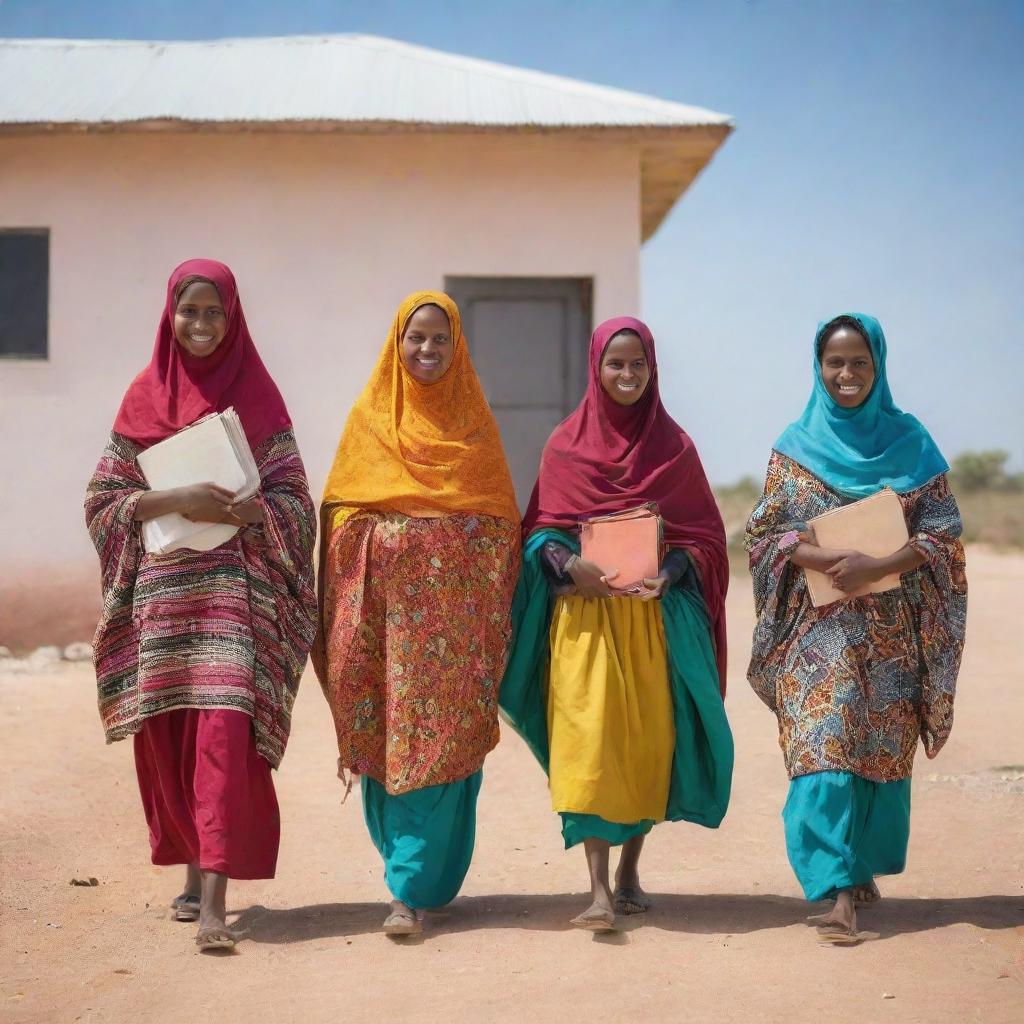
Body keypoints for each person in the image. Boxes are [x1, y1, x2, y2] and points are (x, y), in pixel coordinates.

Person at [85, 259, 317, 952]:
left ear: (234, 317)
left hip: (232, 600)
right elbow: (101, 500)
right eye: (190, 311)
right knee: (173, 739)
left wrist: (251, 515)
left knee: (222, 733)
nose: (202, 324)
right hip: (161, 599)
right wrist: (173, 498)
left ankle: (215, 897)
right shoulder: (141, 398)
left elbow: (295, 504)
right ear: (170, 315)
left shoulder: (260, 398)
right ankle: (191, 871)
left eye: (214, 312)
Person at [500, 316, 733, 932]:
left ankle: (631, 871)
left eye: (638, 365)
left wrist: (674, 570)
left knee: (647, 745)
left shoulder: (675, 450)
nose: (627, 375)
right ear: (595, 368)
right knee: (590, 744)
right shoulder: (564, 447)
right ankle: (598, 889)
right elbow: (540, 530)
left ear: (652, 370)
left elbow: (703, 537)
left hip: (650, 622)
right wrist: (564, 560)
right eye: (616, 364)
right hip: (585, 622)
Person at [745, 313, 967, 944]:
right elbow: (765, 532)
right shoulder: (793, 446)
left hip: (892, 631)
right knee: (821, 744)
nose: (846, 375)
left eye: (859, 363)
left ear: (879, 367)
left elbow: (942, 531)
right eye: (834, 363)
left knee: (879, 749)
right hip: (818, 631)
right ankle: (836, 891)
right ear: (817, 368)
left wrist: (880, 563)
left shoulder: (913, 443)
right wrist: (818, 559)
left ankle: (860, 866)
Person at [313, 290, 520, 937]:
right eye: (416, 338)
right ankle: (406, 882)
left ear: (456, 347)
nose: (427, 350)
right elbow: (342, 520)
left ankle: (417, 885)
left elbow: (500, 530)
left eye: (439, 339)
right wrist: (392, 537)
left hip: (451, 641)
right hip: (383, 635)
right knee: (388, 746)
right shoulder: (368, 425)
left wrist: (440, 540)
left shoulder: (475, 433)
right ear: (396, 345)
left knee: (444, 751)